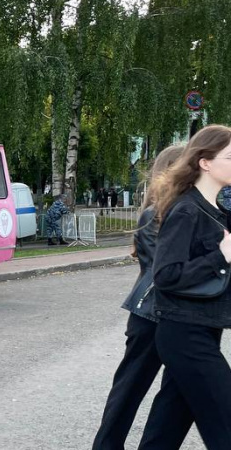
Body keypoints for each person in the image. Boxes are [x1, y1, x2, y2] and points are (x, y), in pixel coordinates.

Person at [137, 125, 231, 449]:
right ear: (205, 162)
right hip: (184, 334)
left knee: (165, 430)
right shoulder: (186, 210)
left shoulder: (217, 213)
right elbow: (166, 275)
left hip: (203, 330)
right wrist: (220, 256)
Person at [92, 145, 185, 449]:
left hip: (179, 320)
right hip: (150, 317)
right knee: (129, 390)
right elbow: (168, 271)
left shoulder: (186, 213)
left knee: (177, 394)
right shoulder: (153, 216)